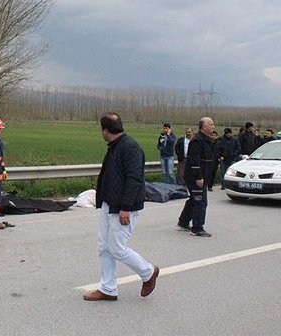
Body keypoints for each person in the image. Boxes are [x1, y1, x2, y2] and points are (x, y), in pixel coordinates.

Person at [83, 112, 159, 301]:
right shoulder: (115, 146)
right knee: (104, 247)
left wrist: (126, 207)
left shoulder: (130, 147)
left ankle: (148, 272)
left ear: (105, 129)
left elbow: (134, 179)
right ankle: (108, 288)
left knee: (116, 248)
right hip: (109, 205)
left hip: (124, 208)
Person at [177, 117, 215, 237]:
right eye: (211, 124)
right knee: (200, 201)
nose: (213, 127)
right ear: (204, 127)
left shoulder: (207, 140)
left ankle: (183, 221)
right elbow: (194, 161)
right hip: (196, 178)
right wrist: (198, 177)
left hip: (202, 177)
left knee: (194, 199)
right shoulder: (197, 141)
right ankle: (197, 228)